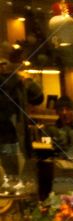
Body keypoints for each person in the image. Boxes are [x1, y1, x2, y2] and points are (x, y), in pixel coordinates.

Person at [0, 42, 43, 183]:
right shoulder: (17, 82)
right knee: (12, 179)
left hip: (16, 140)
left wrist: (24, 79)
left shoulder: (19, 82)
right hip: (10, 140)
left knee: (14, 179)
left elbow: (38, 98)